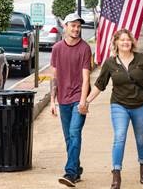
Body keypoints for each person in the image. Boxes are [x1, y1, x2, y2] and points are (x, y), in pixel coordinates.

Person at [83, 28, 143, 189]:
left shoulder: (141, 59)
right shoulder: (110, 63)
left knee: (140, 138)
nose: (125, 42)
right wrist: (86, 101)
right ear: (116, 43)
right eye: (122, 40)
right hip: (119, 105)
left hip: (141, 106)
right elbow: (99, 85)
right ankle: (116, 175)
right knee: (119, 137)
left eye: (128, 39)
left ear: (132, 42)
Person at [50, 12, 92, 187]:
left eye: (79, 26)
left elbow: (86, 78)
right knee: (69, 138)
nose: (76, 29)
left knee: (74, 133)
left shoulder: (85, 48)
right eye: (73, 25)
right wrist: (52, 101)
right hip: (62, 99)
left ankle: (70, 173)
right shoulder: (57, 48)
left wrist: (83, 101)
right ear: (65, 27)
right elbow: (54, 77)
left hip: (77, 98)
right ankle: (78, 167)